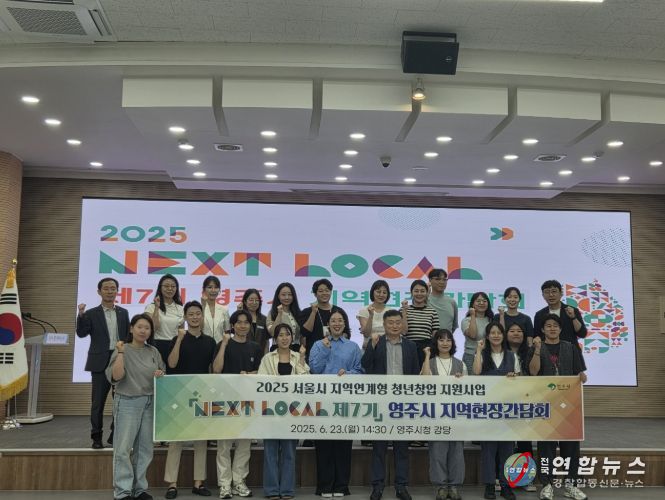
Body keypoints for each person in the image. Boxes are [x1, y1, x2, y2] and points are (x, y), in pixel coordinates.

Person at [527, 314, 588, 500]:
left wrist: (582, 376)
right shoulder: (536, 347)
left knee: (571, 447)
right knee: (546, 448)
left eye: (555, 325)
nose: (552, 328)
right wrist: (537, 350)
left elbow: (579, 372)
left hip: (568, 406)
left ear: (560, 329)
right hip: (545, 405)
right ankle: (547, 485)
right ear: (542, 329)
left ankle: (571, 485)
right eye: (548, 326)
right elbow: (533, 372)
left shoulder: (570, 347)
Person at [362, 309, 420, 500]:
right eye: (391, 323)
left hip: (403, 403)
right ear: (384, 325)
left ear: (402, 324)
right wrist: (371, 345)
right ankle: (377, 486)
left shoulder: (411, 346)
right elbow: (365, 366)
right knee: (379, 448)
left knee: (401, 448)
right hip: (381, 403)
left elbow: (415, 373)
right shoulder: (376, 342)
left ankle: (401, 486)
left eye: (398, 322)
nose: (395, 326)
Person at [106, 314, 165, 500]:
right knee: (123, 448)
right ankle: (122, 492)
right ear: (132, 329)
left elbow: (162, 372)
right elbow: (116, 376)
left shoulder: (153, 351)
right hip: (127, 401)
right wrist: (121, 353)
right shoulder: (122, 349)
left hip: (149, 402)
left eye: (147, 328)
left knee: (144, 449)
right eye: (139, 327)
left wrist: (160, 373)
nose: (143, 331)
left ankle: (139, 489)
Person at [164, 301, 217, 499]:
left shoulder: (210, 341)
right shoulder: (176, 338)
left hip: (202, 393)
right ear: (185, 317)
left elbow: (213, 369)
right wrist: (179, 340)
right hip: (179, 394)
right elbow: (171, 364)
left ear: (202, 317)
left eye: (198, 314)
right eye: (191, 314)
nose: (195, 317)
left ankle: (198, 483)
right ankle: (172, 484)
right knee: (176, 440)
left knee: (201, 440)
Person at [309, 310, 363, 497]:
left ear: (344, 324)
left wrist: (348, 374)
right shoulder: (318, 345)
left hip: (345, 401)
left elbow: (360, 370)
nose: (337, 323)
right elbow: (314, 370)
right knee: (323, 446)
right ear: (328, 325)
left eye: (340, 320)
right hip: (322, 401)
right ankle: (324, 486)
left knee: (343, 446)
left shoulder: (353, 347)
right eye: (333, 320)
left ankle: (341, 486)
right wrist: (325, 349)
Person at [212, 310, 264, 499]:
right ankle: (225, 485)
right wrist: (225, 344)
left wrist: (249, 375)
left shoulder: (255, 347)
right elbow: (216, 370)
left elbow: (261, 372)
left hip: (248, 401)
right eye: (239, 322)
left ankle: (239, 482)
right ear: (232, 325)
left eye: (246, 322)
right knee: (224, 446)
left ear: (250, 325)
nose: (243, 325)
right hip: (225, 400)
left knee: (244, 445)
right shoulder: (222, 344)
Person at [76, 277, 130, 449]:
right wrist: (81, 315)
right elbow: (82, 333)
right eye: (106, 288)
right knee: (98, 403)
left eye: (113, 288)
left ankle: (115, 435)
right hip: (99, 361)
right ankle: (96, 437)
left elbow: (127, 337)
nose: (110, 291)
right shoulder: (91, 313)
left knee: (120, 401)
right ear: (99, 292)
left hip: (119, 360)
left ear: (117, 291)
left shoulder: (123, 312)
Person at [258, 323, 309, 500]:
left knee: (289, 453)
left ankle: (287, 490)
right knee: (270, 453)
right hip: (271, 411)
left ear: (292, 337)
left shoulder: (297, 356)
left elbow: (306, 381)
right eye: (280, 335)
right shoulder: (267, 358)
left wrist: (302, 358)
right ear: (275, 338)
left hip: (292, 413)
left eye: (287, 334)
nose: (284, 338)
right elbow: (260, 382)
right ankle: (272, 490)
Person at [472, 323, 517, 500]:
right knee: (488, 450)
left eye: (499, 332)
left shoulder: (511, 355)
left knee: (507, 449)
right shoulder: (482, 354)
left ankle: (506, 486)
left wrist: (514, 377)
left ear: (503, 336)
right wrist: (478, 350)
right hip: (487, 409)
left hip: (507, 409)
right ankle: (490, 485)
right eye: (492, 333)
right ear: (487, 336)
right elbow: (476, 372)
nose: (496, 335)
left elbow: (519, 379)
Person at [421, 330, 466, 500]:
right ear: (436, 343)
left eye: (448, 340)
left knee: (456, 452)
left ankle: (454, 486)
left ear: (452, 343)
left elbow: (468, 389)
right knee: (437, 452)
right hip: (436, 414)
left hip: (456, 414)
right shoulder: (430, 362)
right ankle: (441, 486)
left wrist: (461, 380)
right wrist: (427, 356)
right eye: (441, 340)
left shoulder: (460, 364)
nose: (445, 343)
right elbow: (425, 380)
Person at [505, 322, 536, 493]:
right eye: (512, 330)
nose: (516, 333)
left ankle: (526, 478)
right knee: (505, 441)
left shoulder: (530, 352)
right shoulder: (500, 352)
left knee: (524, 440)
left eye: (519, 331)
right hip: (504, 401)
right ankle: (502, 478)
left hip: (525, 400)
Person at [533, 279, 587, 371]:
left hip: (571, 356)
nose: (551, 295)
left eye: (554, 291)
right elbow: (537, 336)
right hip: (548, 357)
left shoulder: (572, 310)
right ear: (543, 295)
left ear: (561, 293)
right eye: (547, 292)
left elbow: (582, 333)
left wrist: (573, 317)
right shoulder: (540, 314)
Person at [301, 279, 351, 354]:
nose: (324, 293)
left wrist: (335, 340)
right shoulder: (307, 312)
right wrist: (313, 312)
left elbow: (347, 333)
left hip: (336, 353)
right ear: (315, 294)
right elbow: (304, 333)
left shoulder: (339, 311)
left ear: (331, 292)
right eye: (320, 291)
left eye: (327, 290)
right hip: (314, 353)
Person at [144, 274, 184, 365]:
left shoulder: (180, 308)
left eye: (173, 286)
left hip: (175, 346)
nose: (170, 289)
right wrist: (157, 308)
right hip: (156, 344)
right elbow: (153, 328)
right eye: (166, 286)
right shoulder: (151, 307)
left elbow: (181, 332)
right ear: (160, 288)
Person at [401, 279, 439, 368]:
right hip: (408, 348)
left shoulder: (432, 312)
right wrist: (404, 311)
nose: (419, 294)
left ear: (427, 293)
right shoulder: (403, 310)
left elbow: (435, 335)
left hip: (426, 349)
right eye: (416, 291)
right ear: (411, 293)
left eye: (422, 291)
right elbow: (403, 332)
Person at [460, 292, 494, 375]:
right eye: (478, 301)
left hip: (488, 356)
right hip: (471, 356)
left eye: (484, 301)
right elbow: (473, 335)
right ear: (473, 304)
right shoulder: (466, 320)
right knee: (472, 381)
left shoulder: (491, 320)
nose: (481, 303)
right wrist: (473, 315)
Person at [266, 282, 303, 352]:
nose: (287, 297)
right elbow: (272, 333)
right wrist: (279, 314)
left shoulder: (298, 313)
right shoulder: (272, 313)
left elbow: (302, 335)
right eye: (283, 295)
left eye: (290, 294)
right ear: (278, 296)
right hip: (278, 349)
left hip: (296, 349)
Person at [357, 279, 390, 349]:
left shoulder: (391, 311)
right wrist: (371, 316)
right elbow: (366, 334)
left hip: (387, 348)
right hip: (369, 348)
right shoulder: (364, 310)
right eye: (378, 292)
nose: (381, 295)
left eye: (384, 292)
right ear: (372, 292)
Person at [200, 276, 230, 343]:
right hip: (202, 345)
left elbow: (227, 332)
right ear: (204, 290)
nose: (213, 290)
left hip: (220, 346)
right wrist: (203, 307)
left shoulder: (224, 310)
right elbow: (198, 330)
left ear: (219, 290)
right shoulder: (198, 309)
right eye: (210, 287)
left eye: (216, 287)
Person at [427, 269, 459, 333]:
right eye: (438, 279)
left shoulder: (452, 302)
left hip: (446, 338)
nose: (441, 282)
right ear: (430, 280)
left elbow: (454, 326)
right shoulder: (425, 300)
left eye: (444, 279)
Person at [239, 288, 269, 354]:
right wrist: (239, 313)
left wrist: (266, 356)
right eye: (251, 300)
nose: (254, 303)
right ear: (245, 302)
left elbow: (266, 341)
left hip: (260, 356)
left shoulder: (264, 319)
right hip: (243, 354)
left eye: (257, 300)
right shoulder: (240, 318)